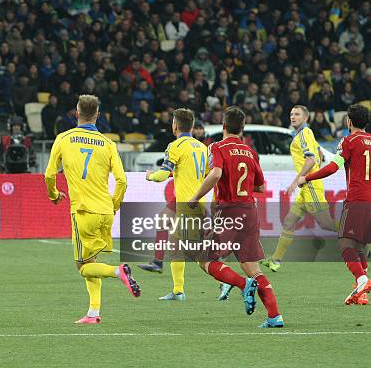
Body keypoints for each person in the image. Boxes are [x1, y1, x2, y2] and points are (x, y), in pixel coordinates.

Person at [44, 94, 140, 325]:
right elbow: (122, 181)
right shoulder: (108, 144)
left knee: (83, 267)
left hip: (83, 211)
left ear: (76, 113)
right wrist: (114, 205)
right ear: (98, 115)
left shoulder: (63, 138)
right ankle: (93, 312)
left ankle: (118, 272)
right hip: (106, 211)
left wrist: (54, 195)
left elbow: (49, 174)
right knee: (91, 261)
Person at [189, 106, 283, 328]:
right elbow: (260, 186)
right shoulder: (251, 152)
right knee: (254, 267)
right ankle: (274, 316)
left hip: (229, 211)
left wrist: (195, 197)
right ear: (242, 129)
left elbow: (216, 173)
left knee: (205, 260)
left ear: (223, 126)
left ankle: (242, 285)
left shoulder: (217, 147)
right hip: (250, 211)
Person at [297, 104, 371, 305]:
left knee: (345, 242)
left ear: (349, 121)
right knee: (360, 244)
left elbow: (332, 167)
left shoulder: (349, 141)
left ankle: (362, 280)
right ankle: (361, 293)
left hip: (357, 200)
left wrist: (308, 177)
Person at [261, 106, 337, 272]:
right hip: (306, 187)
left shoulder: (303, 134)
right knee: (289, 221)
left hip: (311, 185)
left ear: (305, 118)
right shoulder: (306, 134)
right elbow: (318, 155)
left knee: (327, 224)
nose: (293, 117)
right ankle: (275, 260)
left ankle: (362, 234)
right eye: (291, 114)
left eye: (297, 114)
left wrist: (296, 180)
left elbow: (310, 160)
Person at [144, 108, 209, 301]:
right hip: (199, 201)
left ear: (175, 125)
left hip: (187, 203)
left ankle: (230, 283)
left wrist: (150, 176)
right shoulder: (201, 147)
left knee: (195, 252)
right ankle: (177, 290)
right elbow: (205, 174)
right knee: (177, 244)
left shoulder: (175, 146)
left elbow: (162, 175)